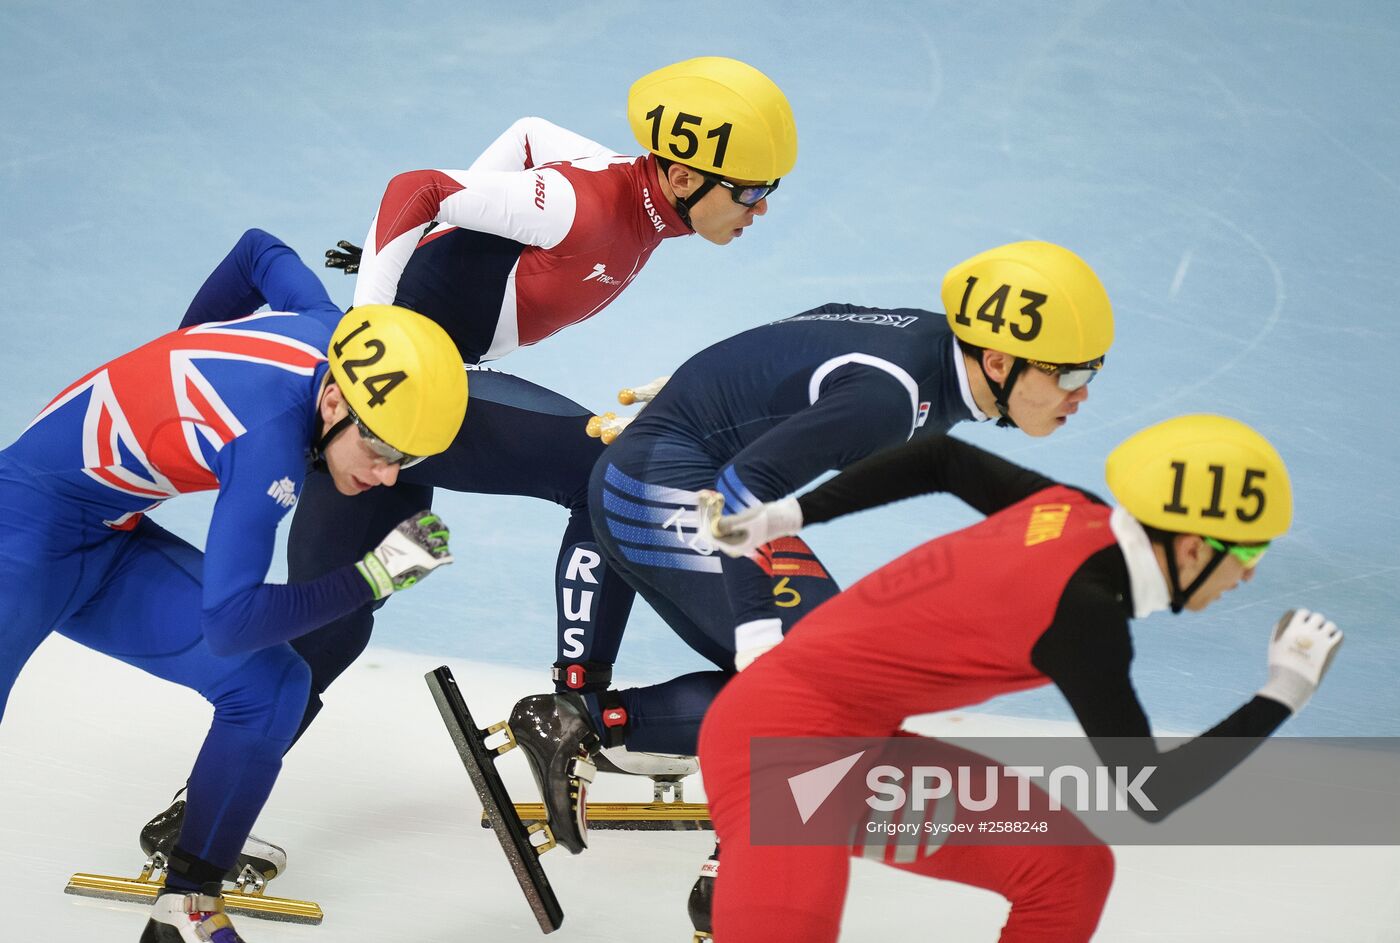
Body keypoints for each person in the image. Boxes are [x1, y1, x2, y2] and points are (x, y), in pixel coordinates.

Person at [504, 238, 1116, 864]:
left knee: (831, 677)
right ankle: (721, 853)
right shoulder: (892, 396)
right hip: (660, 491)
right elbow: (743, 489)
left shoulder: (939, 348)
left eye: (1092, 370)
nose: (1083, 393)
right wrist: (766, 644)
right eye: (1070, 373)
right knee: (827, 680)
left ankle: (594, 726)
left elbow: (822, 319)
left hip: (670, 474)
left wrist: (695, 391)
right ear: (996, 361)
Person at [272, 55, 798, 757]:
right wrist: (370, 331)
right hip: (409, 391)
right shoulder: (581, 203)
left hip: (424, 391)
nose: (760, 208)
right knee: (608, 471)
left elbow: (525, 137)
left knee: (335, 620)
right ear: (681, 176)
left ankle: (199, 818)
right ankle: (574, 709)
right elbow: (416, 187)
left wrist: (439, 245)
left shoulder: (615, 178)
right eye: (751, 191)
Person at [696, 415, 1343, 942]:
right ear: (1195, 546)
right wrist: (1282, 692)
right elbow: (1152, 791)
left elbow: (940, 458)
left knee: (1071, 873)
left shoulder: (1067, 508)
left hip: (857, 745)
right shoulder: (1086, 614)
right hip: (775, 754)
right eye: (1249, 553)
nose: (1252, 575)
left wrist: (791, 515)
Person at [0, 229, 466, 942]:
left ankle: (184, 906)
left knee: (271, 687)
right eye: (381, 451)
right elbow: (231, 621)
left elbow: (258, 251)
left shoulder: (331, 328)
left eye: (407, 458)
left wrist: (176, 356)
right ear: (336, 403)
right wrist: (374, 574)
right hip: (18, 533)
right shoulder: (267, 442)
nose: (387, 477)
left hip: (103, 533)